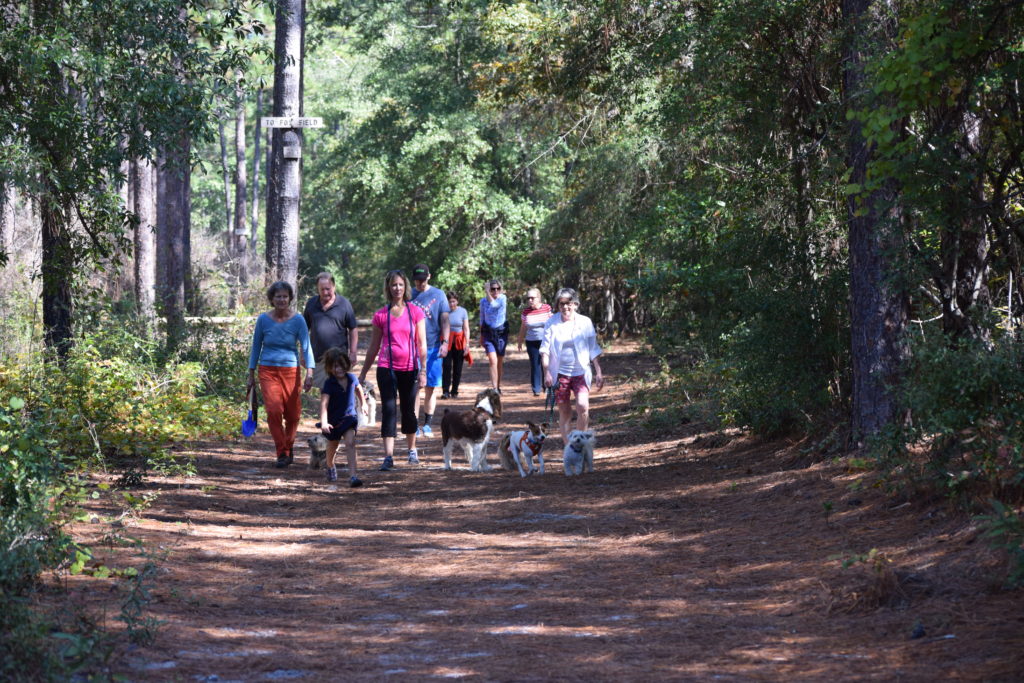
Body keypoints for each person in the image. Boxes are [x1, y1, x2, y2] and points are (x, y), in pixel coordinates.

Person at [359, 269, 427, 470]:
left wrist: (422, 370)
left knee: (408, 409)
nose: (397, 288)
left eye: (400, 284)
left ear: (405, 286)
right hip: (386, 368)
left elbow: (422, 343)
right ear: (388, 288)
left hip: (410, 368)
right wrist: (363, 373)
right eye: (393, 285)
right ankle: (388, 456)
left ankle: (411, 451)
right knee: (389, 410)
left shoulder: (415, 312)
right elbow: (373, 347)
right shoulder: (381, 314)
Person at [247, 281, 315, 468]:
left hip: (291, 371)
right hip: (268, 370)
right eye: (278, 296)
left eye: (285, 296)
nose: (282, 300)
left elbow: (306, 346)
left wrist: (309, 372)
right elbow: (256, 347)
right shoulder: (263, 319)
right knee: (273, 410)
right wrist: (251, 374)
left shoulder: (298, 320)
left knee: (293, 415)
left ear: (290, 298)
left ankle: (288, 445)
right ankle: (282, 452)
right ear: (272, 299)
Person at [540, 287, 604, 442]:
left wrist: (599, 372)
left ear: (575, 304)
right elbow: (545, 350)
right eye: (561, 304)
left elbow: (593, 348)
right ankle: (569, 447)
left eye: (568, 303)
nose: (565, 307)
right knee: (565, 411)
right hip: (560, 374)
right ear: (557, 305)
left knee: (583, 406)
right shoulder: (551, 323)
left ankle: (580, 442)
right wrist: (547, 372)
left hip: (581, 371)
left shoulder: (585, 322)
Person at [409, 264, 450, 437]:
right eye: (417, 280)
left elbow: (445, 319)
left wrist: (446, 342)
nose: (420, 283)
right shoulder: (408, 294)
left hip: (433, 346)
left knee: (430, 387)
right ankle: (414, 424)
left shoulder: (439, 295)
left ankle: (427, 424)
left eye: (423, 280)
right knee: (414, 387)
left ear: (429, 277)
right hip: (412, 348)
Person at [303, 272, 358, 390]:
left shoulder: (344, 304)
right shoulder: (311, 304)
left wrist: (353, 353)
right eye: (321, 289)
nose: (325, 292)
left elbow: (353, 329)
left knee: (340, 392)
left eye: (328, 289)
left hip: (340, 359)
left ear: (334, 287)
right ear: (317, 289)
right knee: (322, 394)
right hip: (318, 359)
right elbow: (304, 330)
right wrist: (303, 353)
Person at [318, 347, 364, 487]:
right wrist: (324, 422)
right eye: (335, 366)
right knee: (333, 447)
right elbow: (324, 404)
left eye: (342, 365)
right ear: (330, 367)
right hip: (333, 421)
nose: (339, 369)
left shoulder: (352, 378)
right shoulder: (329, 384)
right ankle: (330, 465)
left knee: (350, 443)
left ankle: (353, 476)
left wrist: (364, 405)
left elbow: (359, 389)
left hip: (349, 417)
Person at [516, 287, 552, 396]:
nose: (530, 300)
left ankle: (547, 386)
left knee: (545, 364)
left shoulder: (546, 308)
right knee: (535, 364)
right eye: (528, 298)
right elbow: (523, 327)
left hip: (545, 341)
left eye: (532, 298)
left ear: (539, 298)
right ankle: (536, 389)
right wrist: (520, 341)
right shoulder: (526, 312)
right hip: (531, 342)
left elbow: (553, 324)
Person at [479, 278, 508, 392]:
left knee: (499, 362)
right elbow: (482, 318)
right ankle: (494, 388)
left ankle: (498, 385)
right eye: (492, 289)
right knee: (492, 360)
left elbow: (495, 305)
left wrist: (487, 293)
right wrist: (481, 335)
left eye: (497, 289)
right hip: (488, 332)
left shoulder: (503, 299)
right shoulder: (483, 301)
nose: (495, 291)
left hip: (501, 333)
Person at [442, 290, 471, 399]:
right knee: (446, 366)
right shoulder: (444, 312)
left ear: (457, 301)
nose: (452, 304)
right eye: (450, 302)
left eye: (454, 301)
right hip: (446, 341)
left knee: (458, 368)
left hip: (459, 342)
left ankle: (455, 390)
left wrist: (467, 344)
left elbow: (466, 329)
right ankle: (445, 391)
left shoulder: (463, 311)